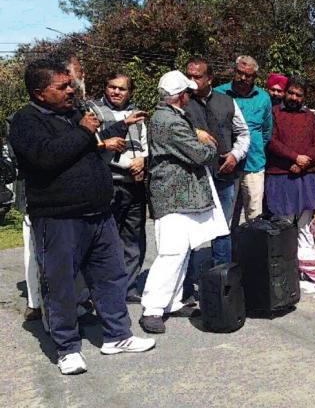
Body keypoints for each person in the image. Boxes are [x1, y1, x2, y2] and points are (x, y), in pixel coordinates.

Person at [9, 58, 155, 374]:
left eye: (70, 83)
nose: (71, 90)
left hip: (98, 214)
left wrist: (119, 126)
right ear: (38, 92)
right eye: (61, 86)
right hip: (59, 218)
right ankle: (67, 348)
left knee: (110, 276)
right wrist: (83, 131)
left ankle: (117, 335)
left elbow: (92, 145)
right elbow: (47, 157)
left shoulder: (73, 114)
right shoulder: (25, 121)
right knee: (61, 285)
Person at [140, 70, 229, 334]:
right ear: (180, 96)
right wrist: (209, 143)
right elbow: (199, 155)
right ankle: (153, 308)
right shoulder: (170, 121)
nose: (191, 96)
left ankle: (173, 301)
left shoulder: (171, 117)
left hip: (182, 195)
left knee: (182, 250)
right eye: (188, 93)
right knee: (171, 253)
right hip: (173, 195)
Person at [88, 72, 149, 302]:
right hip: (109, 183)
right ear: (105, 87)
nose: (116, 92)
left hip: (134, 184)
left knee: (132, 238)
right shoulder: (94, 111)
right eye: (112, 87)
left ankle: (128, 288)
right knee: (106, 240)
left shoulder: (138, 114)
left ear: (129, 92)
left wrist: (143, 160)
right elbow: (93, 143)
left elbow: (144, 143)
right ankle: (104, 290)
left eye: (122, 88)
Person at [185, 58, 250, 267]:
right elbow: (168, 128)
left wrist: (234, 156)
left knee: (222, 227)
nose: (192, 81)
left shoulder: (227, 102)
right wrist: (195, 132)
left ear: (209, 78)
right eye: (189, 76)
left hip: (224, 174)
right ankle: (185, 287)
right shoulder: (180, 102)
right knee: (190, 230)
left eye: (197, 76)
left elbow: (243, 133)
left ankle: (222, 281)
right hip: (193, 176)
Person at [215, 56, 271, 222]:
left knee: (254, 214)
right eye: (239, 73)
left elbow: (267, 131)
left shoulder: (263, 97)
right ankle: (225, 248)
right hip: (225, 164)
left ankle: (251, 248)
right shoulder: (219, 94)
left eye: (248, 75)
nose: (242, 78)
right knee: (225, 214)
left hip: (253, 164)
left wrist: (255, 147)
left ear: (255, 77)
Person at [266, 77, 315, 226]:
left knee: (305, 220)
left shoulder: (310, 116)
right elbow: (271, 141)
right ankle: (284, 250)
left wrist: (303, 163)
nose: (294, 98)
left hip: (306, 173)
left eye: (299, 95)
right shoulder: (274, 113)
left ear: (304, 97)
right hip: (281, 172)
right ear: (285, 93)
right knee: (283, 221)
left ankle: (303, 248)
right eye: (291, 93)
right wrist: (295, 158)